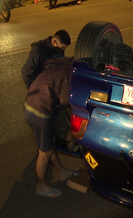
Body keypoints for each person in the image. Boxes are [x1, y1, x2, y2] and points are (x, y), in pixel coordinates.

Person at [24, 57, 76, 197]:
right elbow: (66, 100)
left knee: (48, 145)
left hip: (30, 106)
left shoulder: (56, 65)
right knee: (44, 152)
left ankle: (62, 172)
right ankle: (41, 185)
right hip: (40, 114)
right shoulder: (67, 73)